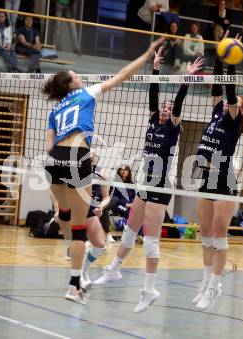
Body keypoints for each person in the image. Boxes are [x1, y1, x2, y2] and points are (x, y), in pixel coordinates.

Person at [43, 37, 163, 304]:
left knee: (64, 214)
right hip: (77, 155)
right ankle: (74, 285)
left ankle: (72, 259)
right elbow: (122, 75)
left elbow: (49, 145)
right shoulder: (85, 94)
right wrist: (146, 54)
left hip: (54, 160)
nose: (80, 77)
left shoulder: (55, 109)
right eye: (76, 76)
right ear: (71, 84)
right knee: (77, 228)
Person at [92, 50, 203, 313]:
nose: (165, 110)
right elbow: (152, 95)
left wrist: (185, 79)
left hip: (161, 186)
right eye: (163, 108)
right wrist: (154, 69)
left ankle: (149, 289)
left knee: (151, 240)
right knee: (130, 231)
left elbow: (178, 105)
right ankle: (114, 270)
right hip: (144, 182)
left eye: (168, 108)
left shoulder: (173, 127)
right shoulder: (153, 120)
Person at [192, 32, 243, 311]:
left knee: (219, 236)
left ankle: (216, 286)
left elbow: (229, 89)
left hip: (224, 178)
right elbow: (218, 88)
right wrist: (221, 55)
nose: (233, 101)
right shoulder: (217, 111)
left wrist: (231, 59)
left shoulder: (233, 119)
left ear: (241, 110)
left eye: (237, 101)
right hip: (205, 175)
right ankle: (205, 282)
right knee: (205, 234)